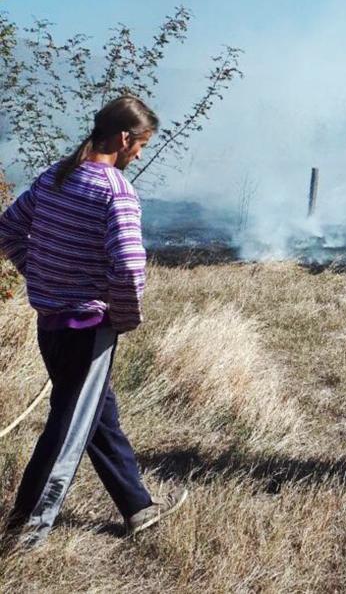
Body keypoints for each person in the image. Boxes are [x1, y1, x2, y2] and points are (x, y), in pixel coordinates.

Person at [0, 96, 187, 547]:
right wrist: (123, 317)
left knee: (97, 412)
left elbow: (6, 230)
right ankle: (25, 530)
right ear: (124, 139)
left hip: (50, 324)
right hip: (87, 328)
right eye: (141, 144)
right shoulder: (115, 192)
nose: (140, 153)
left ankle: (137, 507)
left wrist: (40, 275)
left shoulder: (54, 178)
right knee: (67, 428)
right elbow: (128, 267)